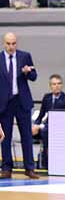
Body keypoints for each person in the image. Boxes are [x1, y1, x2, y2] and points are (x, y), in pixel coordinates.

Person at [0, 32, 38, 178]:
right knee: (5, 137)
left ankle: (29, 168)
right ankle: (6, 169)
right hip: (5, 103)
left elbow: (34, 77)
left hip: (21, 101)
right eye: (8, 44)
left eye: (14, 43)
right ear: (4, 43)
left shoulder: (25, 56)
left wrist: (28, 72)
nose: (11, 47)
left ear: (17, 43)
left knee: (26, 135)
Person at [31, 73, 65, 168]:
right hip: (47, 125)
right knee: (30, 130)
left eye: (59, 83)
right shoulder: (47, 97)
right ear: (50, 86)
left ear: (62, 85)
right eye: (54, 84)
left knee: (45, 131)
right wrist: (35, 125)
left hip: (60, 126)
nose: (57, 86)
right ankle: (33, 164)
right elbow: (41, 115)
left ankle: (47, 164)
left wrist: (41, 126)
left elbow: (63, 120)